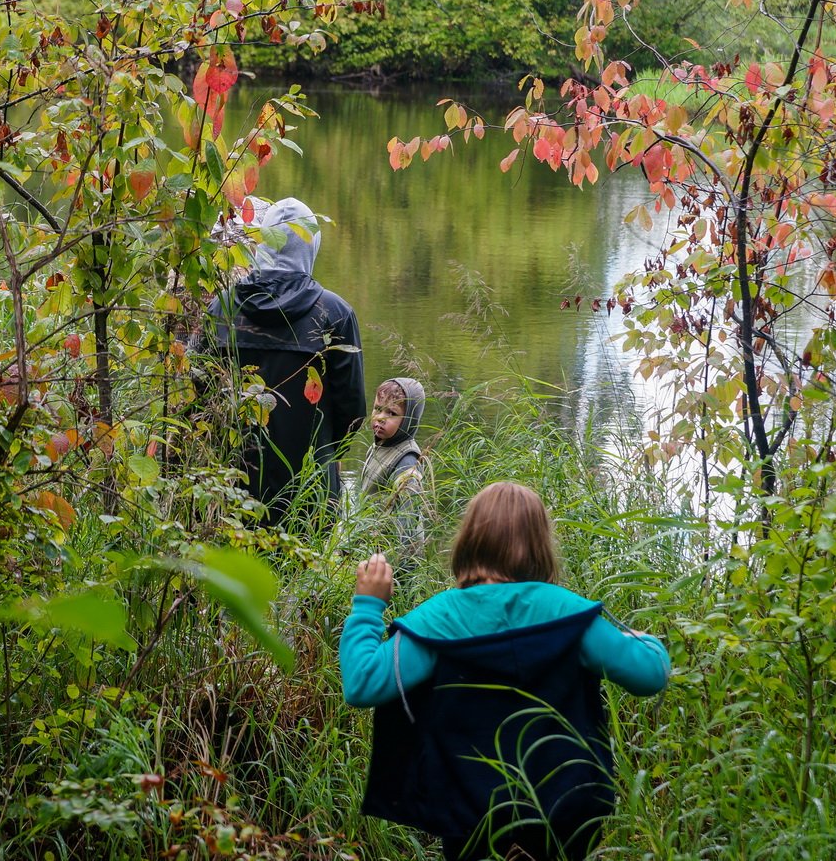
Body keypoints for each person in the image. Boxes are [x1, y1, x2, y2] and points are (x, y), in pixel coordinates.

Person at [339, 481, 670, 861]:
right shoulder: (574, 618)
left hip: (467, 817)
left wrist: (367, 606)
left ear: (469, 542)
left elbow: (362, 683)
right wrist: (645, 641)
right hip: (566, 815)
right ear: (540, 547)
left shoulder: (437, 620)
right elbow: (651, 675)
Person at [205, 197, 365, 525]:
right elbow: (353, 412)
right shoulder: (334, 315)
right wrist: (324, 452)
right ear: (312, 245)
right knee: (301, 575)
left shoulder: (223, 309)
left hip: (233, 486)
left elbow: (200, 396)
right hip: (310, 487)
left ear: (262, 243)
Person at [359, 377, 431, 576]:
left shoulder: (407, 462)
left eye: (391, 413)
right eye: (377, 409)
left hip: (395, 563)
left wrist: (396, 567)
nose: (380, 417)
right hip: (372, 546)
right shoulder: (379, 445)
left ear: (409, 421)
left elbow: (407, 521)